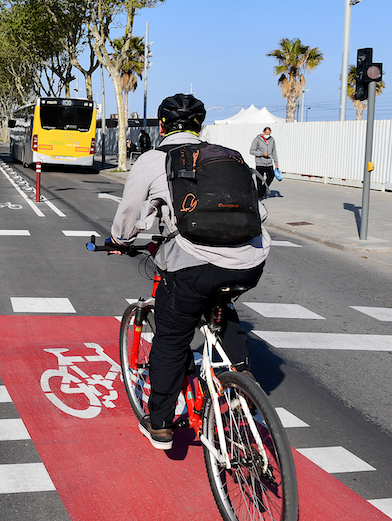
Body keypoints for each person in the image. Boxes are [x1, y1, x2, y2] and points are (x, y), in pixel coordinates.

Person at [109, 94, 270, 451]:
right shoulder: (229, 156)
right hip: (250, 261)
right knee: (220, 298)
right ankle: (243, 378)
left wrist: (120, 239)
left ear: (161, 126)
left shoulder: (153, 160)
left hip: (193, 263)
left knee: (171, 334)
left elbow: (129, 216)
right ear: (200, 128)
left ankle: (162, 423)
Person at [249, 127, 280, 199]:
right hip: (260, 163)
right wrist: (262, 154)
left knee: (271, 177)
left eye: (269, 134)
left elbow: (274, 152)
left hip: (269, 163)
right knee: (259, 179)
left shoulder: (272, 140)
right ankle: (259, 195)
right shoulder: (257, 140)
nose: (268, 135)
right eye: (266, 134)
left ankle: (262, 190)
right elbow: (251, 151)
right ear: (263, 132)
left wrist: (276, 163)